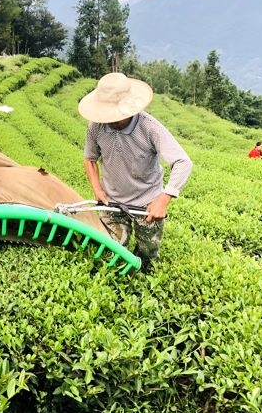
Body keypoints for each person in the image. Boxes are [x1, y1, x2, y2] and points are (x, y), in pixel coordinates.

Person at [80, 72, 193, 272]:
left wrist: (163, 199)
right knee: (112, 253)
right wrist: (97, 189)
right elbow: (90, 159)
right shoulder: (96, 126)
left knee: (147, 256)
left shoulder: (150, 128)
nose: (110, 119)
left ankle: (144, 281)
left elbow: (183, 162)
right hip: (112, 202)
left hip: (146, 204)